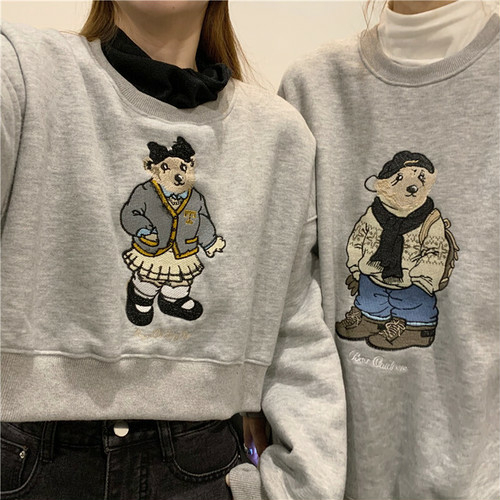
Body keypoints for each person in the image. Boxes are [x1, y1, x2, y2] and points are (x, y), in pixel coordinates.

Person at [0, 1, 346, 499]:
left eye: (183, 169)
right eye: (169, 169)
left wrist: (302, 488)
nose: (178, 175)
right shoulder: (21, 70)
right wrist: (141, 228)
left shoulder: (280, 135)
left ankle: (171, 301)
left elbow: (296, 334)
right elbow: (132, 215)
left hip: (205, 462)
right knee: (146, 279)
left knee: (178, 284)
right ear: (155, 170)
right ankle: (142, 299)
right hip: (27, 457)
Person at [278, 0, 499, 498]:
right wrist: (359, 262)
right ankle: (377, 319)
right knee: (369, 298)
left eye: (421, 179)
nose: (412, 186)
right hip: (335, 478)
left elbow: (438, 253)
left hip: (481, 480)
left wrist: (422, 273)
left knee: (415, 303)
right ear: (382, 184)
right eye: (403, 179)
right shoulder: (312, 88)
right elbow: (286, 307)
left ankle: (414, 327)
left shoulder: (431, 222)